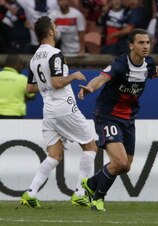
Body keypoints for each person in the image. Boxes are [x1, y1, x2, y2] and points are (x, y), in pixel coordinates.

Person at [77, 28, 158, 211]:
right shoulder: (120, 64)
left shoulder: (148, 63)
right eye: (141, 43)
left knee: (125, 166)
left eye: (148, 42)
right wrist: (89, 87)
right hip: (107, 115)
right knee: (119, 162)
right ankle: (98, 199)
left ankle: (92, 183)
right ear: (131, 45)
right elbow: (102, 78)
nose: (145, 46)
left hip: (128, 118)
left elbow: (154, 71)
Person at [20, 16, 97, 208]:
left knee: (54, 155)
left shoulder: (34, 58)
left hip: (49, 111)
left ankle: (31, 193)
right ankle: (80, 192)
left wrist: (45, 85)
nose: (57, 29)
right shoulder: (55, 53)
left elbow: (30, 89)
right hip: (64, 107)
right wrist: (73, 76)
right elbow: (56, 82)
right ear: (51, 32)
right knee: (90, 146)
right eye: (55, 27)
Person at [0, 54, 35, 118]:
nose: (22, 67)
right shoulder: (23, 79)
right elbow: (31, 96)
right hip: (15, 114)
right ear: (16, 65)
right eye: (21, 65)